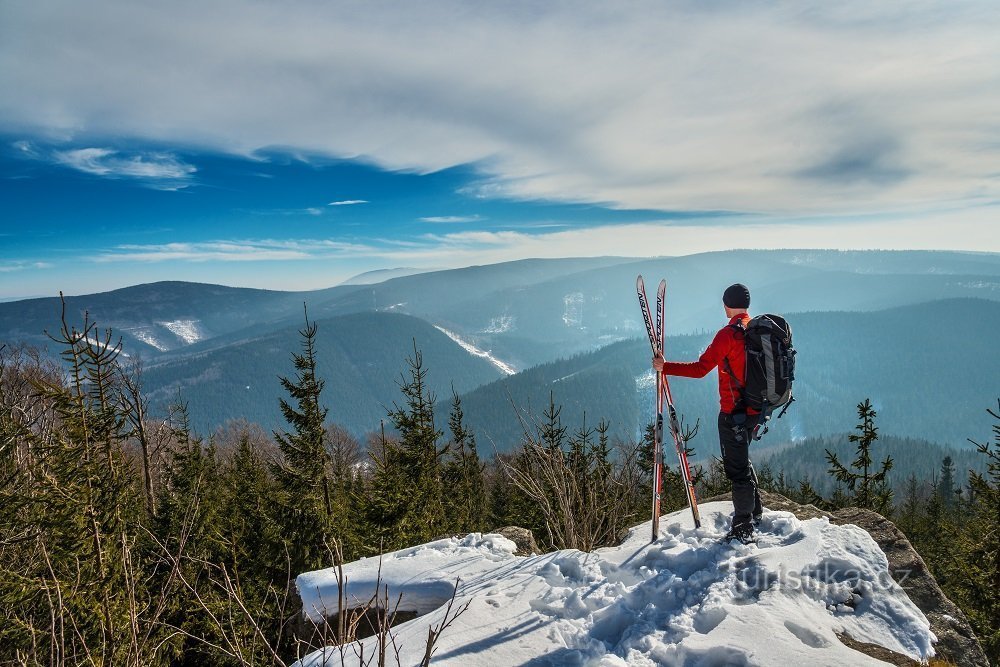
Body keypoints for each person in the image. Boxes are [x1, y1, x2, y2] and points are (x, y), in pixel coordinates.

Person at [652, 283, 762, 544]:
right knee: (742, 460)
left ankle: (744, 526)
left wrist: (665, 367)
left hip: (732, 412)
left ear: (727, 304)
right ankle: (755, 511)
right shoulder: (755, 329)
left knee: (737, 470)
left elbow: (700, 368)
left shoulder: (728, 335)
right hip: (755, 410)